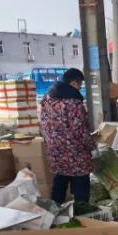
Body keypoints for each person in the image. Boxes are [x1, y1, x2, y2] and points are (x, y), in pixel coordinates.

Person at [39, 68, 95, 204]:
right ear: (74, 83)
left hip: (55, 150)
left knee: (60, 180)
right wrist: (92, 146)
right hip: (75, 153)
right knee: (81, 183)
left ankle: (55, 209)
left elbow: (43, 124)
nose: (80, 87)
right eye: (80, 84)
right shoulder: (74, 104)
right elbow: (80, 132)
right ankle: (82, 213)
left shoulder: (47, 100)